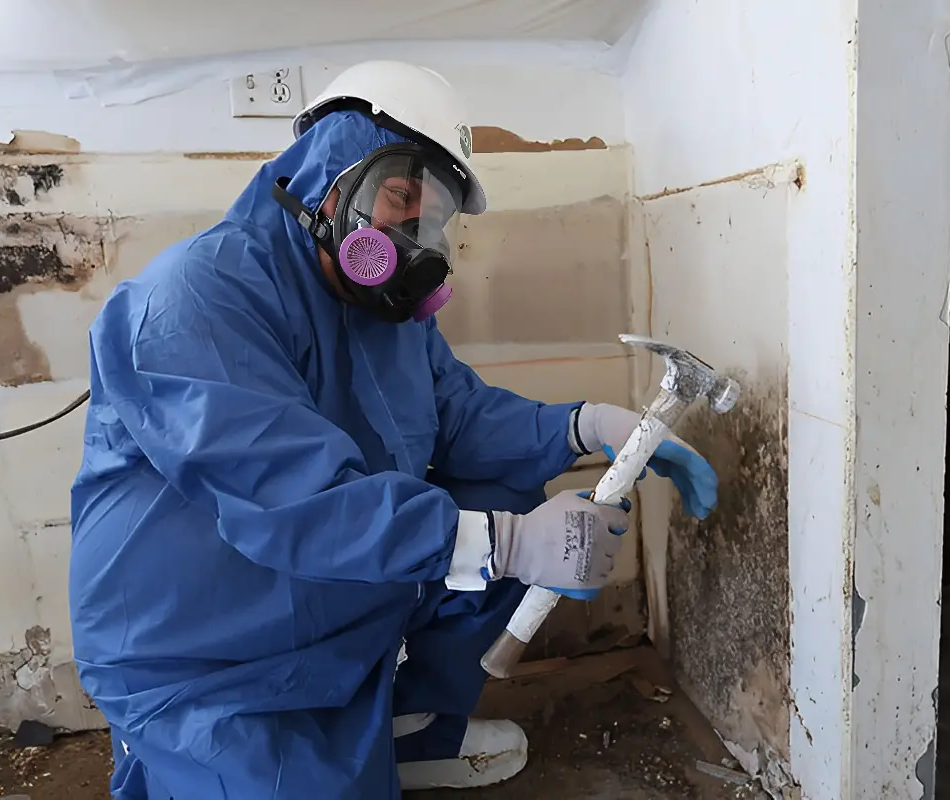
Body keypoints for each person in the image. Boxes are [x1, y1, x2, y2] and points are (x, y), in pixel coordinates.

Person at [69, 60, 718, 799]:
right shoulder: (191, 300)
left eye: (432, 218)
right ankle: (190, 751)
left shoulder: (380, 310)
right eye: (402, 197)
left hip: (323, 597)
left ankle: (410, 729)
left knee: (504, 483)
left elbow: (458, 417)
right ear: (329, 173)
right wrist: (512, 545)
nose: (414, 235)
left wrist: (585, 426)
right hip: (203, 649)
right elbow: (294, 499)